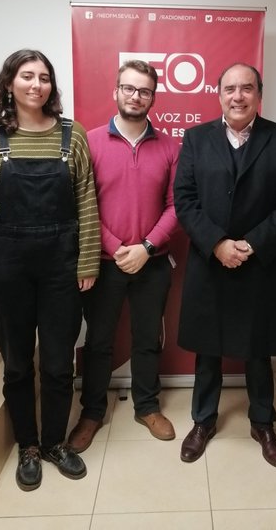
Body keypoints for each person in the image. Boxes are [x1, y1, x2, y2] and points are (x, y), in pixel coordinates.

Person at [0, 49, 101, 492]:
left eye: (44, 77)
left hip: (62, 263)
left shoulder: (72, 135)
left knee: (58, 362)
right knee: (18, 363)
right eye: (27, 76)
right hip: (7, 264)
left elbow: (86, 200)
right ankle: (28, 446)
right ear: (9, 84)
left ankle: (55, 442)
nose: (36, 84)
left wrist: (87, 260)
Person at [173, 62, 276, 467]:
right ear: (218, 95)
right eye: (230, 89)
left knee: (257, 347)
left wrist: (251, 244)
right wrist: (217, 244)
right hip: (210, 259)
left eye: (247, 88)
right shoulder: (196, 139)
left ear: (259, 94)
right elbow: (184, 199)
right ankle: (203, 421)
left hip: (259, 261)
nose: (238, 96)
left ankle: (263, 422)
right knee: (208, 347)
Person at [68, 59, 179, 452]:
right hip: (103, 262)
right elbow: (82, 205)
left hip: (152, 261)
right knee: (99, 340)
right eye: (129, 88)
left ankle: (147, 406)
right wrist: (116, 248)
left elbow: (177, 206)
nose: (136, 96)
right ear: (116, 91)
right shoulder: (89, 142)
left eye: (144, 91)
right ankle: (92, 412)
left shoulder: (170, 147)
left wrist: (146, 248)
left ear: (153, 97)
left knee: (148, 338)